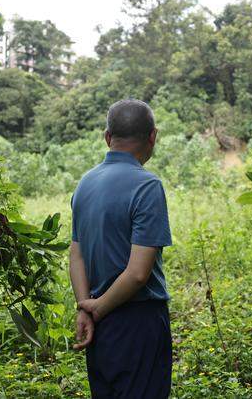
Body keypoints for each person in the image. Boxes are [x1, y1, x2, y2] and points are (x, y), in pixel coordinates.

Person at [69, 99, 173, 398]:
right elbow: (139, 274)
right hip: (138, 322)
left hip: (98, 323)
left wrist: (86, 306)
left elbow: (76, 254)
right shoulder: (147, 186)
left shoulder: (85, 183)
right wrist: (98, 308)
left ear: (107, 137)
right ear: (153, 136)